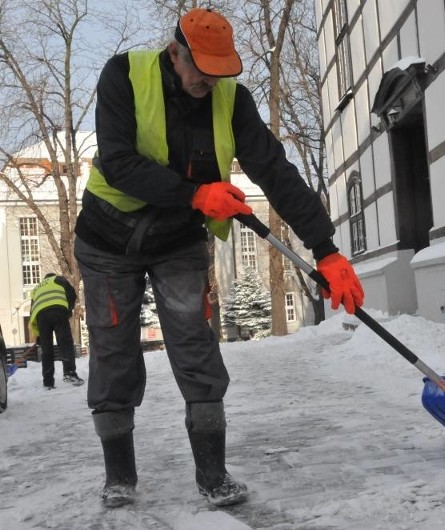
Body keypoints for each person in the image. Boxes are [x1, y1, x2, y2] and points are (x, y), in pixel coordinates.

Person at [74, 7, 364, 509]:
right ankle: (118, 474)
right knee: (113, 352)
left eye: (219, 71)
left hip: (177, 241)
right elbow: (118, 163)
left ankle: (213, 474)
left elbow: (275, 171)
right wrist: (195, 195)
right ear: (175, 52)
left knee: (195, 344)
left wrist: (327, 250)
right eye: (200, 69)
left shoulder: (231, 98)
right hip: (108, 240)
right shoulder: (124, 75)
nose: (209, 80)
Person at [29, 273, 84, 389]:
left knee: (46, 349)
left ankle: (48, 382)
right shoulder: (57, 279)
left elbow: (32, 314)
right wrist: (68, 310)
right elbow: (71, 294)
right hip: (58, 311)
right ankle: (69, 374)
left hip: (41, 317)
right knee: (65, 343)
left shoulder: (36, 289)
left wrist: (38, 335)